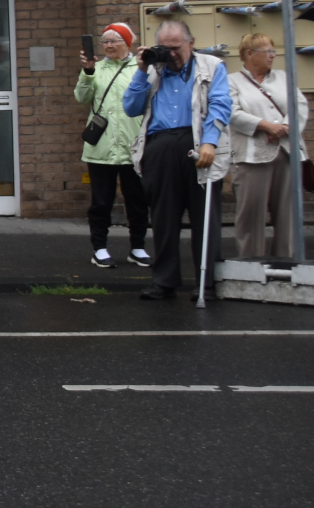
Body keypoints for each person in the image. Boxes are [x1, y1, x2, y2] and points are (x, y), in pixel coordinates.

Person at [122, 19, 231, 300]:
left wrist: (210, 141)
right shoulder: (151, 70)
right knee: (163, 218)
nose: (170, 54)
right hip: (160, 147)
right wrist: (141, 70)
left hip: (198, 143)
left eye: (176, 47)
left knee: (205, 218)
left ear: (191, 44)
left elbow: (220, 104)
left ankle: (206, 283)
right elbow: (131, 107)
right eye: (165, 48)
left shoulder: (212, 66)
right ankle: (164, 282)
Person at [226, 32, 306, 260]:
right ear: (249, 53)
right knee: (251, 215)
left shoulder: (283, 77)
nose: (273, 55)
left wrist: (284, 127)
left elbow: (299, 105)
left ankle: (287, 263)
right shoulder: (232, 81)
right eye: (268, 51)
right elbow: (231, 112)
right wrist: (265, 126)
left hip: (286, 153)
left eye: (273, 50)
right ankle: (252, 265)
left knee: (288, 214)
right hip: (251, 157)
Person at [75, 23, 149, 267]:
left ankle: (137, 247)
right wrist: (87, 72)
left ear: (127, 43)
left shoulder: (141, 69)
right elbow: (81, 97)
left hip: (133, 147)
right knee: (101, 203)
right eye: (105, 41)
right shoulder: (96, 69)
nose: (108, 45)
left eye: (114, 40)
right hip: (101, 148)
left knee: (137, 201)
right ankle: (100, 248)